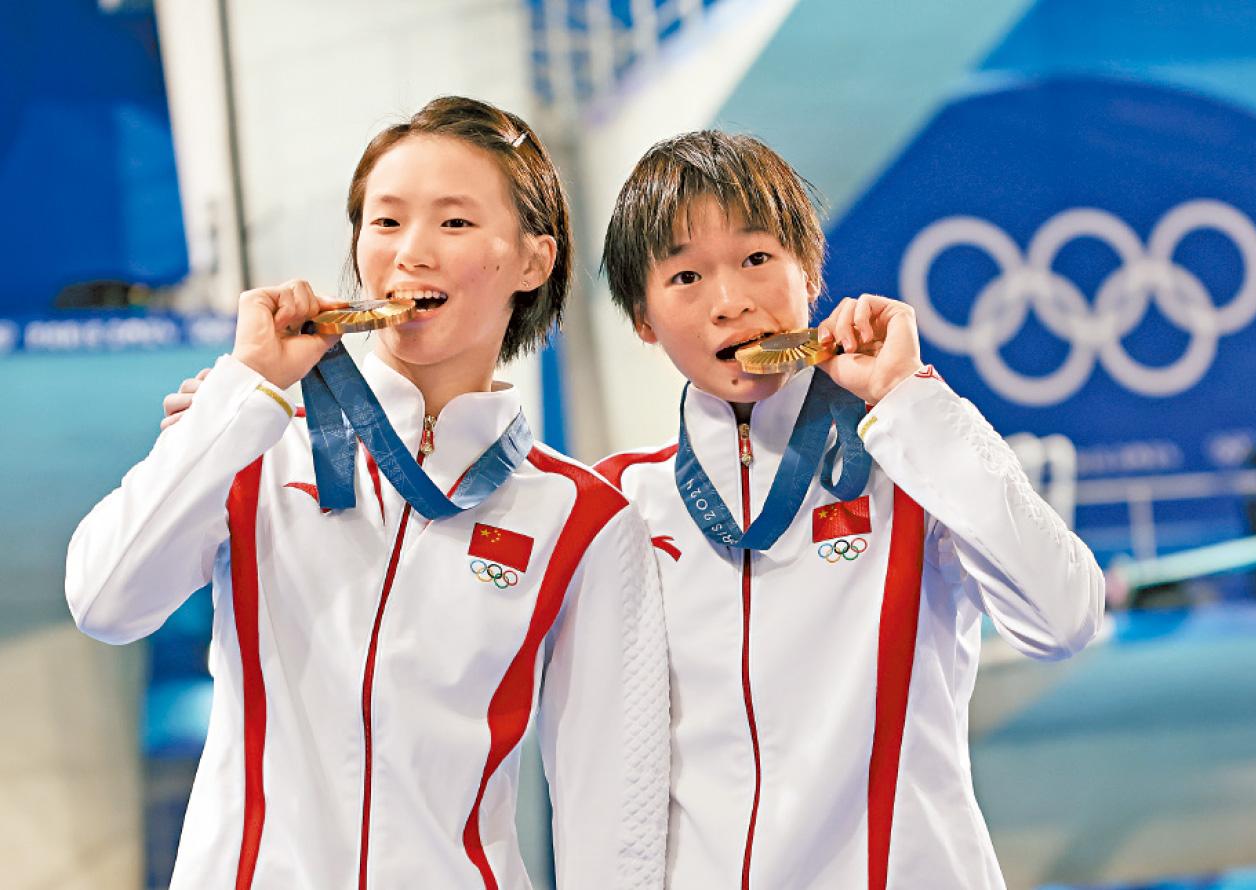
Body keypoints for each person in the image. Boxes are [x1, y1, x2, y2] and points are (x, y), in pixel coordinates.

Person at [66, 96, 669, 890]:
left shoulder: (582, 519)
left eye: (453, 223)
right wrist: (243, 395)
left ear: (533, 260)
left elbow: (611, 807)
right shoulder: (254, 436)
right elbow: (106, 601)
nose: (410, 252)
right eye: (385, 223)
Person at [593, 131, 1104, 889]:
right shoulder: (617, 504)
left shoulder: (911, 459)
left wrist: (910, 400)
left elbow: (1067, 619)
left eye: (757, 259)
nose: (730, 301)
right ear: (642, 316)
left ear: (810, 271)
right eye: (687, 275)